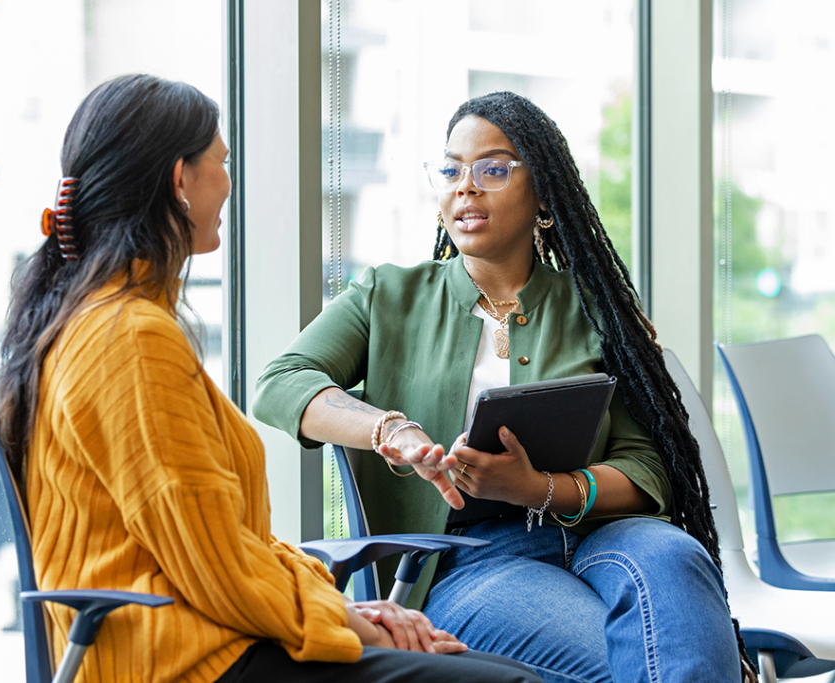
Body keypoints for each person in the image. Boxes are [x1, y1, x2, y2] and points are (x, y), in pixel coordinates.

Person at [0, 74, 541, 683]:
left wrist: (347, 608)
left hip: (206, 633)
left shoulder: (112, 322)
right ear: (181, 181)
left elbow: (227, 547)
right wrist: (354, 624)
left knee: (489, 670)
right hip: (181, 658)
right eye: (221, 162)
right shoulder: (128, 339)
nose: (229, 183)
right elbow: (216, 565)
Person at [253, 91, 755, 683]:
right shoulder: (388, 296)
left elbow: (647, 469)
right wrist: (392, 429)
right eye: (451, 169)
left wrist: (539, 487)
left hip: (609, 537)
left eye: (492, 169)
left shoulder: (597, 309)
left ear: (542, 193)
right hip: (475, 560)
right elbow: (280, 383)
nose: (466, 187)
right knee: (650, 664)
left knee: (677, 558)